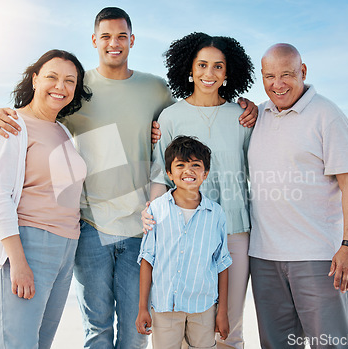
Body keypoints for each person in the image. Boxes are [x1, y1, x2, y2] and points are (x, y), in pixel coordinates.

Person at [0, 7, 257, 348]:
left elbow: (198, 109)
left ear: (132, 40)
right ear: (94, 40)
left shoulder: (155, 89)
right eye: (107, 37)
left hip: (140, 229)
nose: (114, 44)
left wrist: (246, 106)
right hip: (89, 226)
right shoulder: (77, 88)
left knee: (135, 332)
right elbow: (39, 117)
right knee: (96, 330)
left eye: (122, 36)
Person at [142, 32, 254, 349]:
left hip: (234, 230)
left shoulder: (242, 118)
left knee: (229, 328)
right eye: (202, 65)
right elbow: (159, 175)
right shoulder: (171, 117)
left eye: (218, 66)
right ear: (189, 69)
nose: (209, 73)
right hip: (181, 232)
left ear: (228, 73)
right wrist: (153, 215)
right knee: (180, 324)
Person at [248, 43, 348, 348]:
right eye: (270, 76)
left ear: (303, 71)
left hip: (318, 258)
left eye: (286, 74)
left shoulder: (327, 115)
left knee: (331, 344)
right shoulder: (257, 116)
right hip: (264, 257)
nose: (278, 84)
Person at [0, 49, 91, 349]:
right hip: (27, 245)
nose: (61, 86)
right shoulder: (11, 124)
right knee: (17, 344)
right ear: (34, 79)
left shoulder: (63, 131)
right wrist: (17, 261)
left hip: (65, 249)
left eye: (70, 80)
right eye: (52, 77)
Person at [136, 136, 232, 349]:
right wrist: (143, 307)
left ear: (205, 173)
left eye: (195, 165)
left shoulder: (216, 214)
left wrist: (222, 311)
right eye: (180, 165)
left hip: (203, 307)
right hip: (164, 306)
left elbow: (222, 264)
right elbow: (147, 259)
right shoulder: (156, 210)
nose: (188, 171)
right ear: (169, 173)